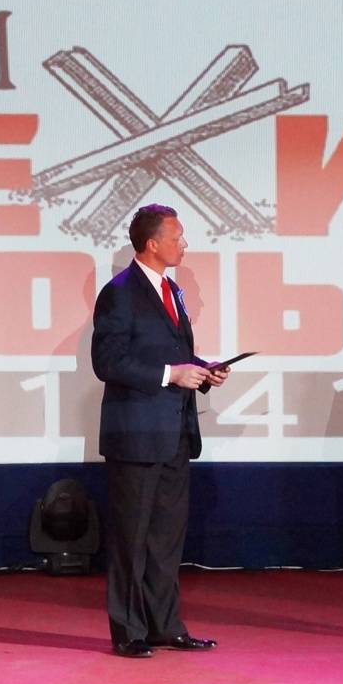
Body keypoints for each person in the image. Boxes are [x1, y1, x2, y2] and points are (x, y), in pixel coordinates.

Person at [91, 204, 229, 658]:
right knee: (131, 538)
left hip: (174, 434)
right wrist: (173, 374)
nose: (184, 244)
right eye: (177, 237)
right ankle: (129, 631)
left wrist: (202, 370)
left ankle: (165, 626)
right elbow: (107, 363)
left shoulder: (172, 290)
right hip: (135, 435)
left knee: (166, 539)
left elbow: (170, 353)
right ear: (152, 243)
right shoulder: (119, 293)